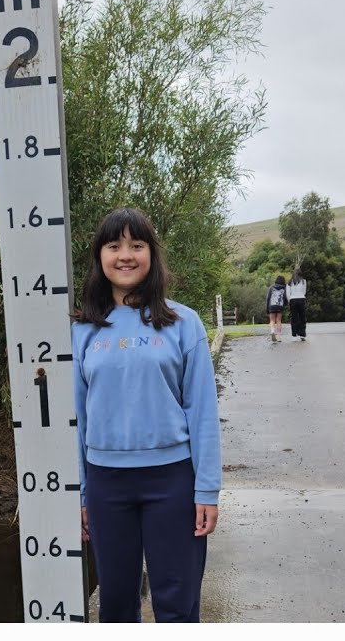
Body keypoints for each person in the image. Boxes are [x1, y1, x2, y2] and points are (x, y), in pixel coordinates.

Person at [71, 207, 221, 623]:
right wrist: (82, 494)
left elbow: (203, 412)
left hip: (173, 480)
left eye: (137, 245)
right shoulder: (82, 330)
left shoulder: (183, 323)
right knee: (116, 604)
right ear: (99, 257)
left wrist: (206, 490)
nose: (125, 255)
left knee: (176, 603)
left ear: (151, 255)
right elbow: (77, 421)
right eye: (114, 245)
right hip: (106, 485)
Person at [288, 268, 308, 340]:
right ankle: (302, 334)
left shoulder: (290, 282)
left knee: (294, 318)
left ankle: (294, 335)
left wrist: (289, 300)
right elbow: (304, 292)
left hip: (293, 300)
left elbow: (288, 293)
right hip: (301, 299)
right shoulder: (303, 281)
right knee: (302, 317)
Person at [266, 275, 287, 342]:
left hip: (272, 305)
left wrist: (267, 308)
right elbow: (285, 298)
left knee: (272, 320)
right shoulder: (284, 288)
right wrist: (284, 305)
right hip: (280, 306)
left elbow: (268, 298)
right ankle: (279, 337)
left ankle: (272, 331)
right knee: (279, 321)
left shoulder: (271, 287)